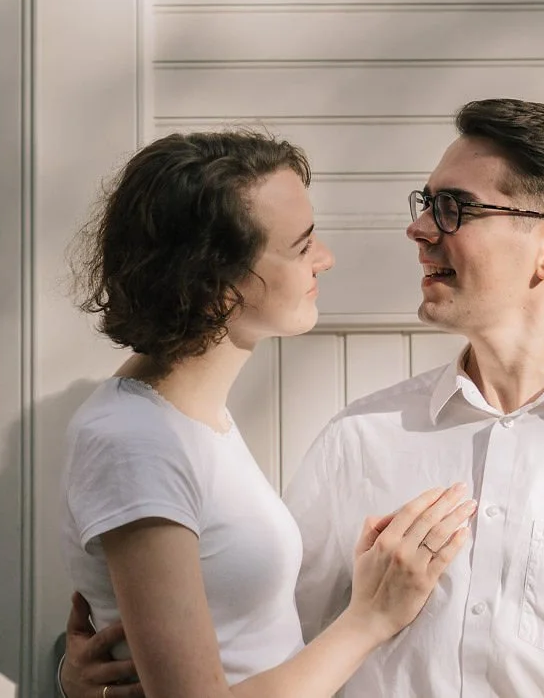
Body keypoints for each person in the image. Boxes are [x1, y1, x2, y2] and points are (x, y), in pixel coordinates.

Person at [62, 100, 544, 698]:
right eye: (426, 202)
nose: (419, 229)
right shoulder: (360, 439)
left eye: (454, 208)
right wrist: (80, 678)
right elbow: (249, 646)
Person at [59, 128, 476, 698]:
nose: (325, 259)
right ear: (215, 283)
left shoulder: (189, 422)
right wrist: (371, 618)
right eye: (301, 246)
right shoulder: (136, 442)